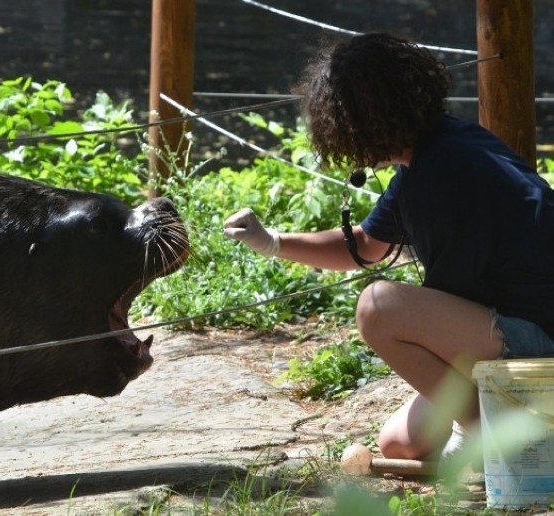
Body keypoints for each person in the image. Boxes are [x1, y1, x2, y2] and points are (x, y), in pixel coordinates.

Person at [223, 32, 554, 466]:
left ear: (355, 119)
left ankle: (498, 436)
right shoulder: (441, 151)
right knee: (399, 444)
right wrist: (273, 243)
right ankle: (488, 423)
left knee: (378, 306)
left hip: (538, 341)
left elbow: (454, 298)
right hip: (508, 332)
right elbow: (363, 244)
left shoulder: (440, 172)